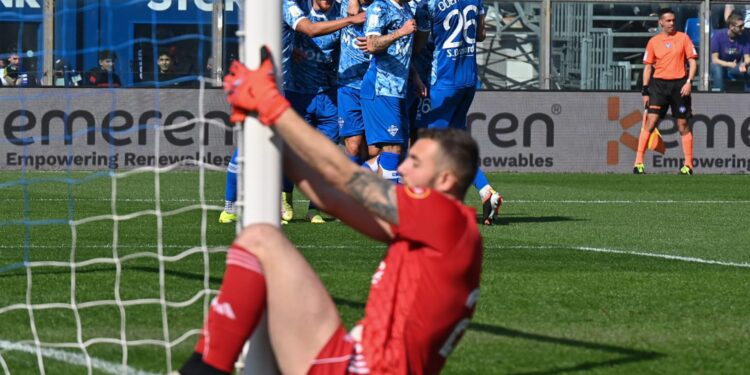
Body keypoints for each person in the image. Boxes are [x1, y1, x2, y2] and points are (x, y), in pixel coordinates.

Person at [179, 48, 482, 375]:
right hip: (355, 357)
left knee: (261, 239)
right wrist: (267, 129)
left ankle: (202, 370)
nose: (403, 167)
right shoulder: (434, 228)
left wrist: (273, 107)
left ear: (446, 179)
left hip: (364, 369)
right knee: (261, 257)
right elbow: (330, 197)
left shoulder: (444, 217)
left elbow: (346, 176)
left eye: (416, 162)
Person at [416, 0, 504, 224]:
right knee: (453, 145)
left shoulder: (430, 2)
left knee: (432, 144)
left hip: (444, 81)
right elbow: (481, 34)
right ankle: (485, 190)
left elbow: (422, 41)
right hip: (468, 79)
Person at [361, 0, 427, 183]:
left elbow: (402, 52)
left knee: (396, 151)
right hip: (380, 87)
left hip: (399, 89)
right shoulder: (379, 7)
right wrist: (401, 31)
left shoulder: (406, 10)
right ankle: (393, 209)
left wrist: (414, 76)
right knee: (393, 149)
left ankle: (346, 187)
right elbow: (372, 45)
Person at [634, 8, 697, 175]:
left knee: (683, 124)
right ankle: (638, 163)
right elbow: (648, 67)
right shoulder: (654, 42)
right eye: (668, 20)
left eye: (673, 20)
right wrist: (645, 90)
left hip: (679, 86)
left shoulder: (683, 38)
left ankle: (688, 165)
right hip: (659, 86)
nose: (671, 23)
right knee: (651, 122)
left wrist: (689, 82)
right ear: (660, 22)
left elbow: (692, 61)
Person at [337, 0, 373, 166]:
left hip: (375, 87)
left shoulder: (384, 7)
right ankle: (351, 190)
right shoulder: (343, 4)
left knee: (374, 150)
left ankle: (366, 187)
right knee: (353, 145)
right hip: (348, 86)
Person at [710, 13, 750, 92]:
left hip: (735, 67)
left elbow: (747, 58)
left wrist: (744, 64)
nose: (743, 28)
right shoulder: (718, 35)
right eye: (740, 26)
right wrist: (729, 64)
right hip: (719, 66)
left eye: (743, 25)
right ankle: (718, 97)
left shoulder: (744, 37)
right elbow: (714, 60)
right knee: (717, 69)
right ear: (731, 27)